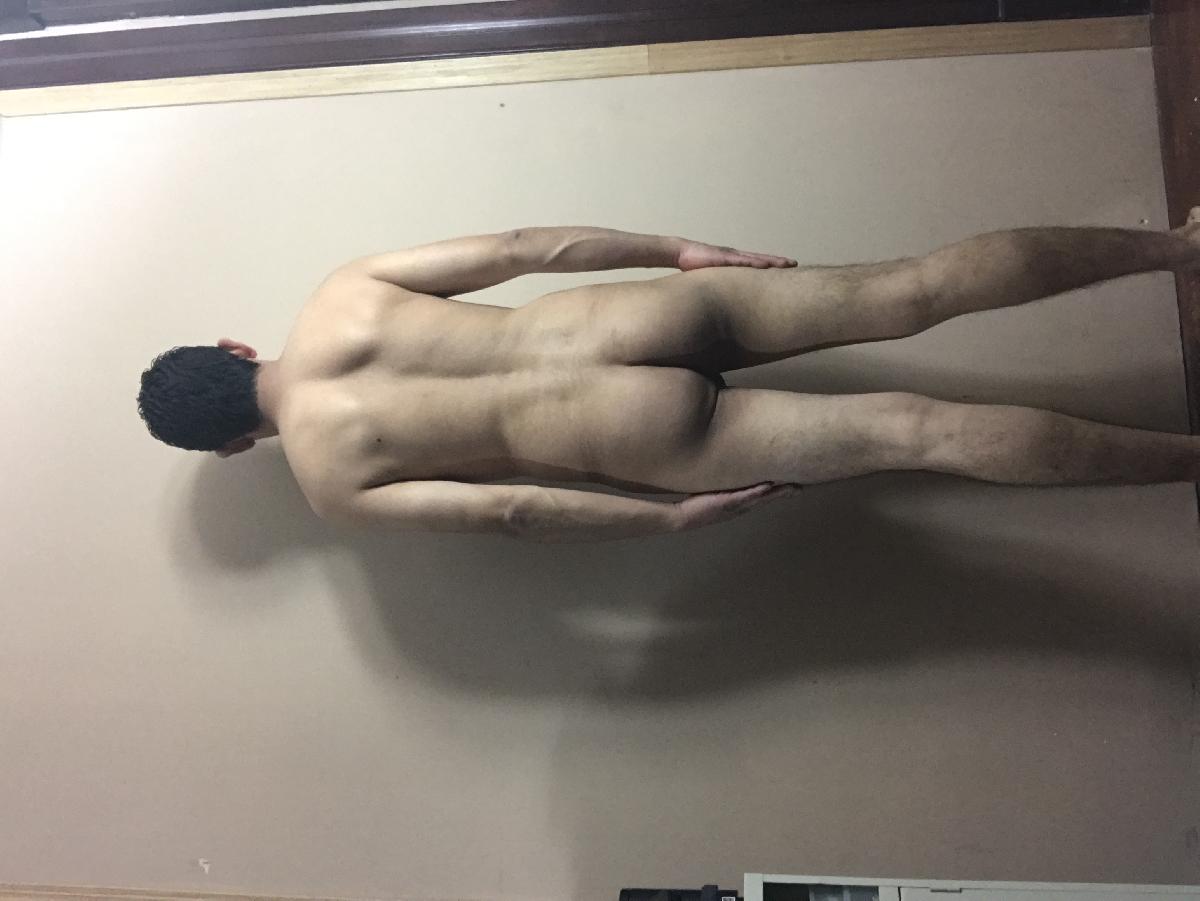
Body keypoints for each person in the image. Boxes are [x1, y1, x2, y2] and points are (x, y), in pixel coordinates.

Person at [138, 213, 1200, 542]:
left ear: (230, 444)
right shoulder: (342, 292)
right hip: (631, 314)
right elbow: (521, 249)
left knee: (919, 434)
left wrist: (669, 521)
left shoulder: (331, 484)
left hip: (626, 430)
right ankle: (1180, 247)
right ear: (234, 348)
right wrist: (680, 251)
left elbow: (509, 508)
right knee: (917, 286)